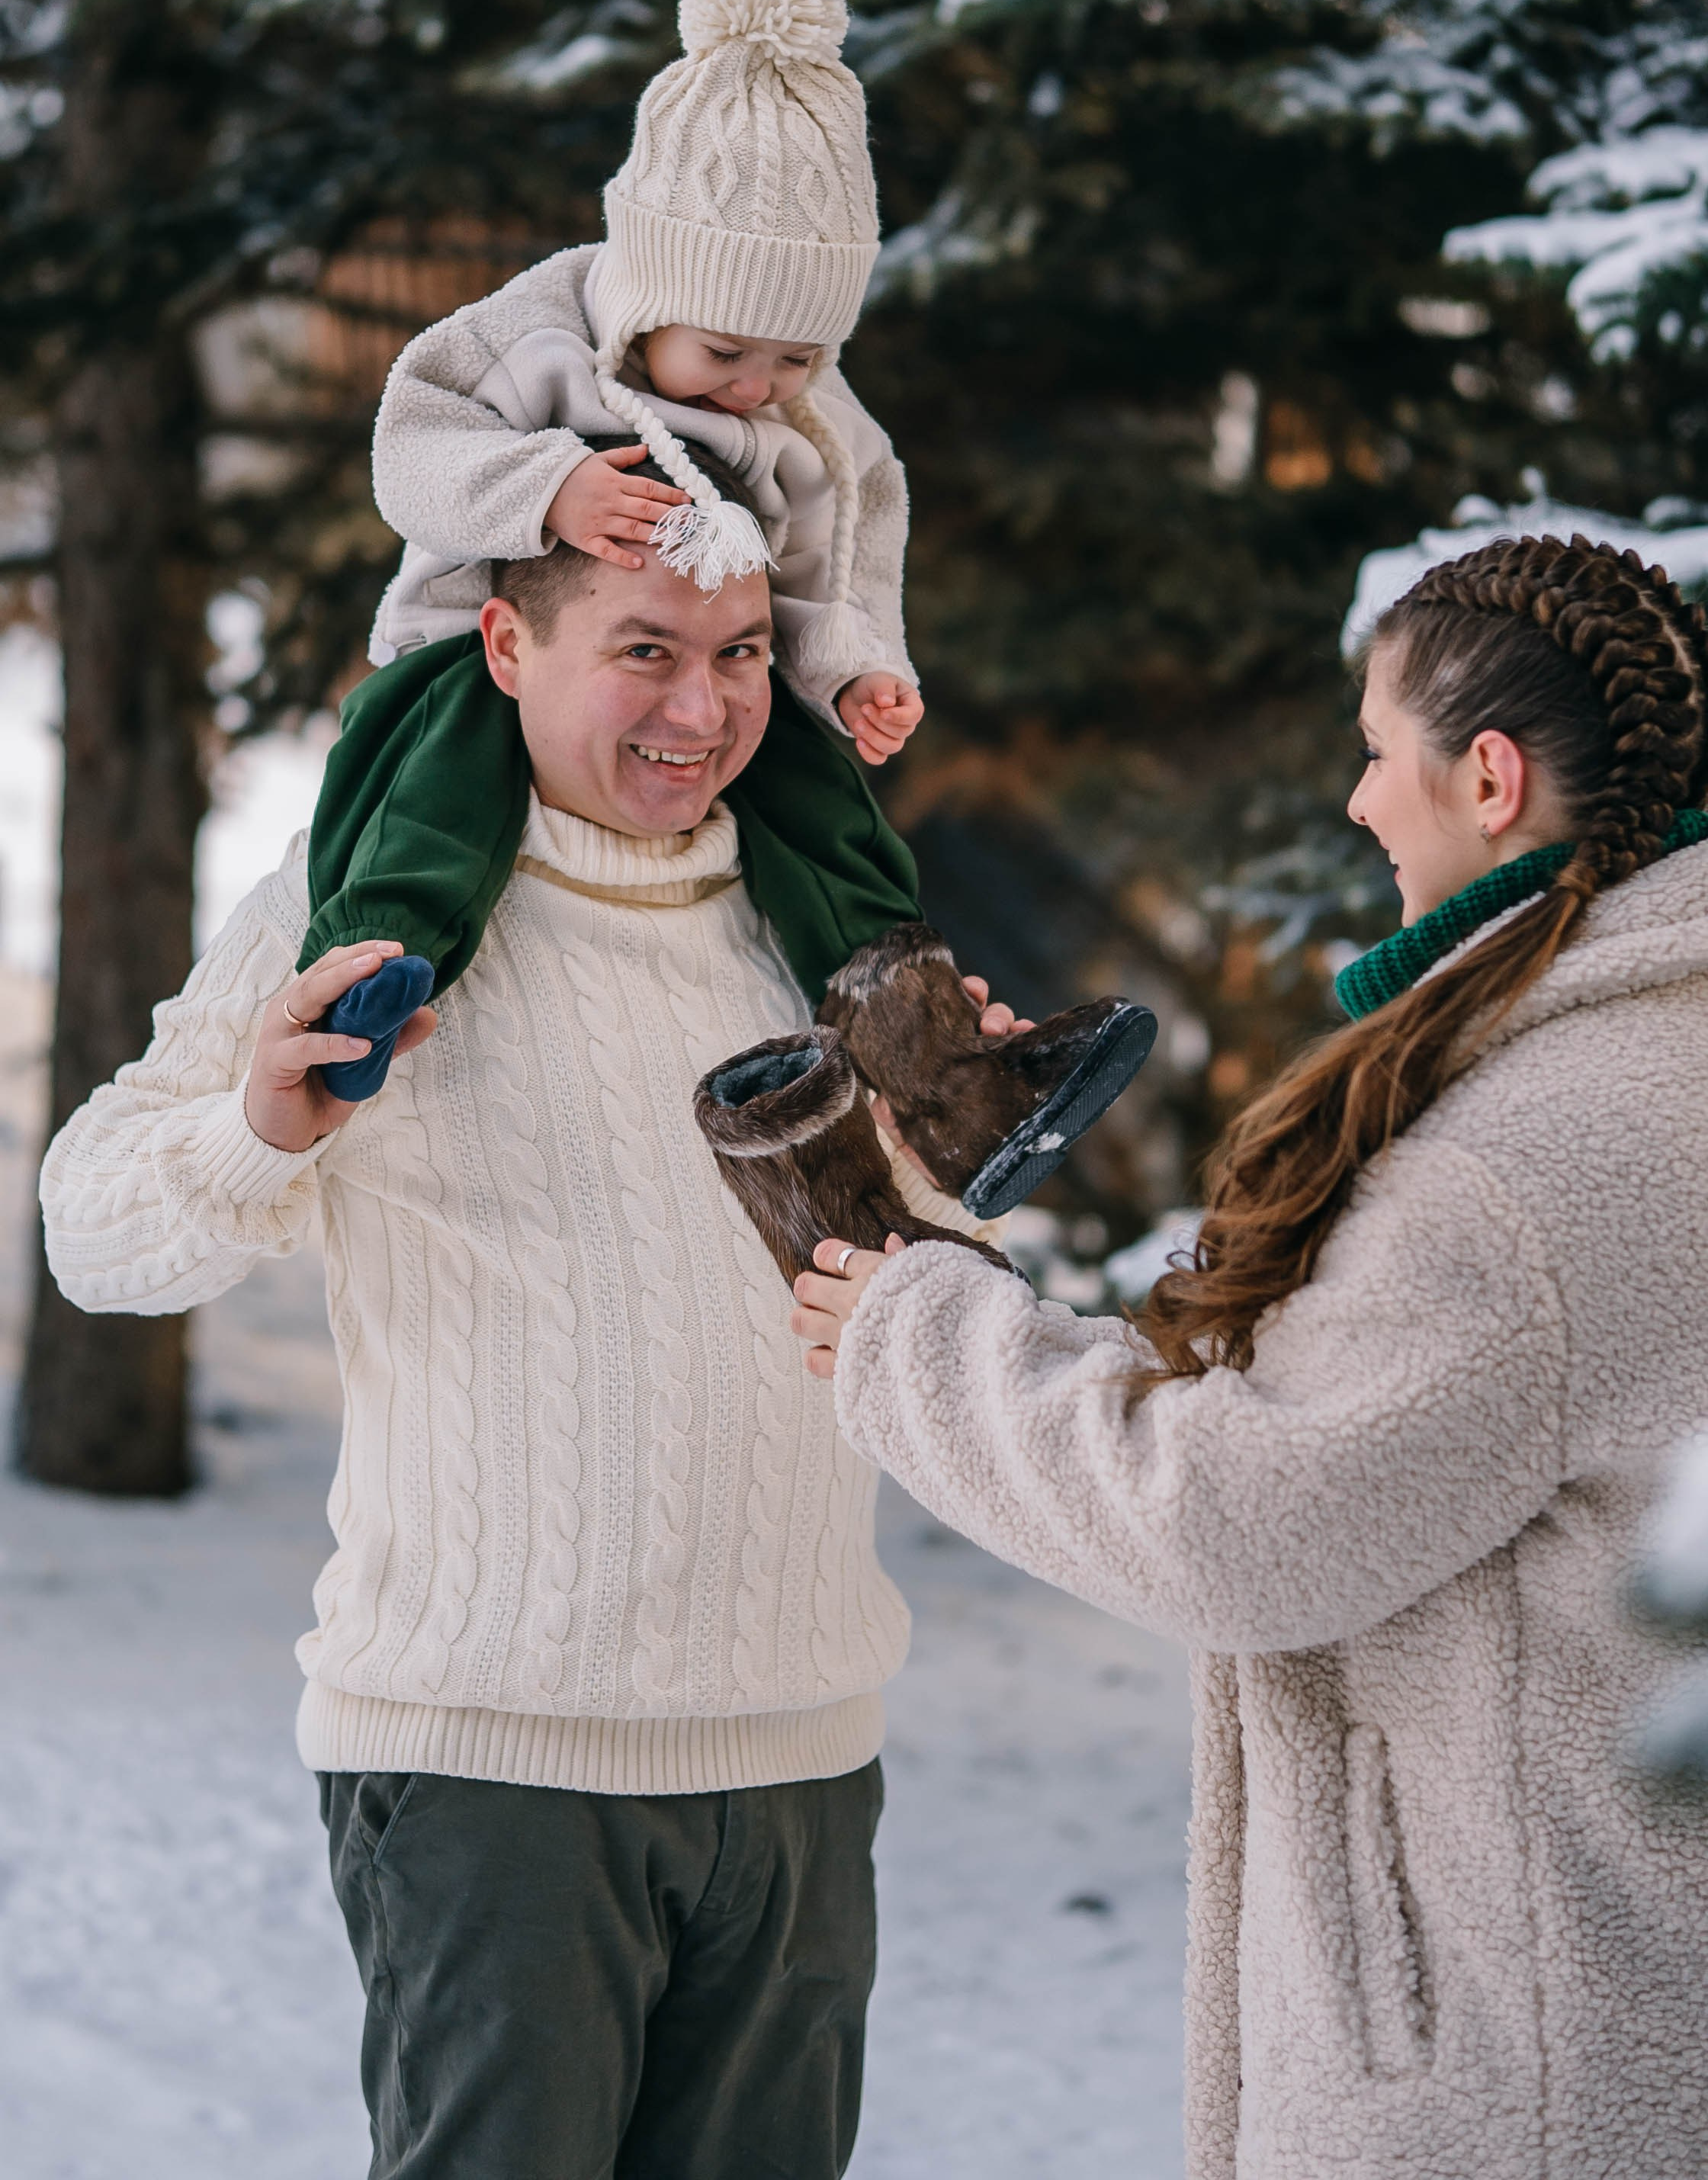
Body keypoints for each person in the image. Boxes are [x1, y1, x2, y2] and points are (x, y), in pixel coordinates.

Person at [39, 476, 1016, 2180]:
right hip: (495, 1767)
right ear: (504, 644)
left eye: (739, 653)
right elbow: (89, 1229)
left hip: (796, 1750)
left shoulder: (825, 917)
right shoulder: (363, 903)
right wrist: (260, 1127)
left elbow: (916, 1285)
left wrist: (955, 1144)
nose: (702, 708)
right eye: (644, 651)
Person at [790, 533, 1708, 2180]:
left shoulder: (1515, 1166)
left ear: (1487, 779)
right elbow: (1367, 1415)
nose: (1355, 799)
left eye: (1376, 752)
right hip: (1659, 1997)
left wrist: (924, 1340)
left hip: (1526, 2070)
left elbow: (1241, 1522)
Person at [301, 0, 927, 1079]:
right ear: (646, 294)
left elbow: (845, 545)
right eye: (726, 352)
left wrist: (855, 667)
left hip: (704, 656)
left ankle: (907, 1011)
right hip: (485, 646)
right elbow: (412, 443)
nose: (759, 388)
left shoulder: (816, 424)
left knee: (821, 800)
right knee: (429, 784)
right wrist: (548, 487)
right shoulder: (537, 339)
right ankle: (365, 982)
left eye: (797, 360)